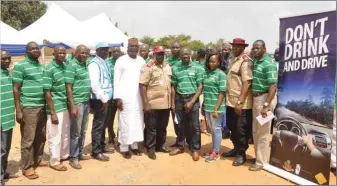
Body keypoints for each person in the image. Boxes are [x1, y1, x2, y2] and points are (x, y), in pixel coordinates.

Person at [12, 42, 48, 180]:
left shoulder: (40, 65)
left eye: (37, 48)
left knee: (41, 136)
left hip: (42, 106)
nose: (36, 50)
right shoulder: (20, 66)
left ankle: (38, 159)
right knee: (28, 139)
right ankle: (27, 167)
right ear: (26, 51)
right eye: (32, 49)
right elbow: (16, 88)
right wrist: (19, 110)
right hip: (28, 107)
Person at [221, 38, 253, 167]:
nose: (235, 48)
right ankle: (235, 148)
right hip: (230, 101)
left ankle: (241, 154)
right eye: (234, 46)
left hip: (242, 103)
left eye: (238, 47)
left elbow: (247, 82)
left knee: (241, 130)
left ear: (243, 48)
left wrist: (240, 102)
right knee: (231, 126)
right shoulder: (232, 60)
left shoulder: (245, 62)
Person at [170, 48, 204, 161]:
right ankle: (180, 146)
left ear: (190, 54)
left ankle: (195, 149)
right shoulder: (175, 68)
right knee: (180, 124)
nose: (185, 56)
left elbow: (200, 86)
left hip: (192, 99)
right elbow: (173, 86)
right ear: (180, 55)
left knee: (195, 126)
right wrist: (173, 103)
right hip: (179, 99)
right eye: (183, 54)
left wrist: (192, 101)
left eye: (187, 54)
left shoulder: (198, 67)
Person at [114, 38, 145, 159]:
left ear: (138, 48)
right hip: (124, 97)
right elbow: (116, 80)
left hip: (138, 97)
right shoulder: (121, 61)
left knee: (137, 121)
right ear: (127, 47)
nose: (133, 48)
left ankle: (135, 145)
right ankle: (124, 147)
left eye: (135, 46)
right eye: (131, 46)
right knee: (125, 122)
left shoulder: (141, 60)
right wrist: (117, 98)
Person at [249, 40, 278, 171]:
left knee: (263, 132)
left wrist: (266, 106)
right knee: (256, 130)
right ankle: (258, 157)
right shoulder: (256, 60)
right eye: (253, 48)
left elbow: (273, 85)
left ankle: (261, 162)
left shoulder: (269, 63)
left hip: (265, 99)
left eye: (257, 48)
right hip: (257, 99)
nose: (255, 50)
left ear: (264, 49)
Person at [139, 45, 172, 160]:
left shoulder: (167, 66)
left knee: (162, 127)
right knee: (151, 128)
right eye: (158, 54)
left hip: (166, 103)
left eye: (162, 54)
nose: (161, 56)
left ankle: (161, 145)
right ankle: (151, 149)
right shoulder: (149, 67)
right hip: (153, 103)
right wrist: (146, 104)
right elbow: (142, 85)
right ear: (154, 55)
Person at [42, 46, 70, 171]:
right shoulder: (49, 69)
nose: (62, 55)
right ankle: (54, 161)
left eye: (64, 53)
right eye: (59, 53)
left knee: (65, 133)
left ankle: (63, 156)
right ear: (54, 54)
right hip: (55, 107)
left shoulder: (64, 67)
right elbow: (47, 92)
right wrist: (52, 113)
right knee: (55, 135)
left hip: (65, 106)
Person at [65, 45, 92, 169]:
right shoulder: (72, 65)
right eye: (82, 53)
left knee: (83, 130)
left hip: (86, 101)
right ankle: (73, 157)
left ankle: (80, 152)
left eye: (86, 53)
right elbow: (68, 87)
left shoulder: (85, 64)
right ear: (75, 53)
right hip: (77, 103)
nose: (84, 55)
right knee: (75, 132)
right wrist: (73, 106)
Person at [87, 42, 113, 162]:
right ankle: (96, 151)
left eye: (107, 50)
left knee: (104, 124)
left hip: (106, 98)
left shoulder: (104, 62)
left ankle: (102, 146)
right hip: (100, 99)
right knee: (98, 125)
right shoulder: (94, 63)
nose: (105, 52)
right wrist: (103, 99)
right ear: (97, 51)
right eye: (103, 50)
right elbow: (94, 84)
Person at [201, 52, 226, 163]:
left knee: (216, 129)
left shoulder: (221, 74)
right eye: (210, 61)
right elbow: (205, 90)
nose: (211, 63)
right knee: (212, 129)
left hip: (216, 108)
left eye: (214, 61)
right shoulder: (207, 74)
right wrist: (204, 105)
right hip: (208, 106)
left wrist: (216, 109)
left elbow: (222, 92)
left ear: (218, 62)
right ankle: (213, 150)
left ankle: (216, 152)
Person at [1, 50, 18, 185]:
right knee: (1, 149)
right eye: (3, 59)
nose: (7, 61)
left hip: (8, 118)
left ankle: (3, 171)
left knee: (6, 147)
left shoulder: (7, 73)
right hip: (1, 119)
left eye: (8, 58)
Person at [103, 46, 122, 152]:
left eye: (117, 51)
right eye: (113, 51)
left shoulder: (123, 62)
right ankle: (111, 139)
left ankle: (121, 138)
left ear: (120, 52)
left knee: (122, 118)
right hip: (110, 96)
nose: (115, 53)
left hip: (122, 96)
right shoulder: (107, 63)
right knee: (109, 120)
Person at [166, 41, 182, 147]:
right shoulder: (167, 61)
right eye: (173, 47)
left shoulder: (185, 60)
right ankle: (179, 139)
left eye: (177, 47)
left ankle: (186, 140)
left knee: (184, 119)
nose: (175, 49)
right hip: (170, 92)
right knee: (175, 118)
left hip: (181, 93)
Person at [219, 42, 232, 139]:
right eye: (223, 49)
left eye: (226, 49)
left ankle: (227, 129)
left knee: (227, 109)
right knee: (222, 109)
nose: (224, 51)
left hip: (231, 88)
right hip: (221, 88)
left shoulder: (232, 60)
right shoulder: (220, 60)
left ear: (230, 50)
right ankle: (224, 129)